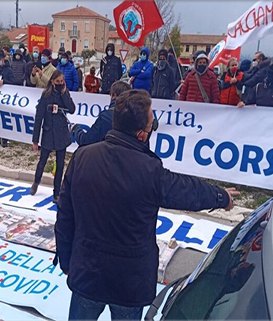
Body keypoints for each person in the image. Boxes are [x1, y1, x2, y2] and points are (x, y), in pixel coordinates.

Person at [55, 89, 239, 321]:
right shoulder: (150, 170)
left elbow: (64, 216)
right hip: (127, 283)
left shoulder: (82, 157)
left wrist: (66, 259)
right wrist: (221, 197)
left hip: (87, 274)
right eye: (152, 124)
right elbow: (187, 191)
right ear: (141, 135)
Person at [31, 70, 76, 203]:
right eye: (58, 82)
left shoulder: (64, 94)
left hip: (61, 133)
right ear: (52, 82)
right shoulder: (46, 95)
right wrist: (35, 140)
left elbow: (72, 109)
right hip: (48, 133)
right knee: (42, 161)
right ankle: (36, 181)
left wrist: (65, 94)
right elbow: (39, 118)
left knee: (60, 165)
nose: (60, 84)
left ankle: (56, 193)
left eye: (62, 82)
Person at [73, 81, 131, 146]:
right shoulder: (136, 115)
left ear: (113, 95)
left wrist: (76, 128)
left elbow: (86, 141)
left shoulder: (106, 117)